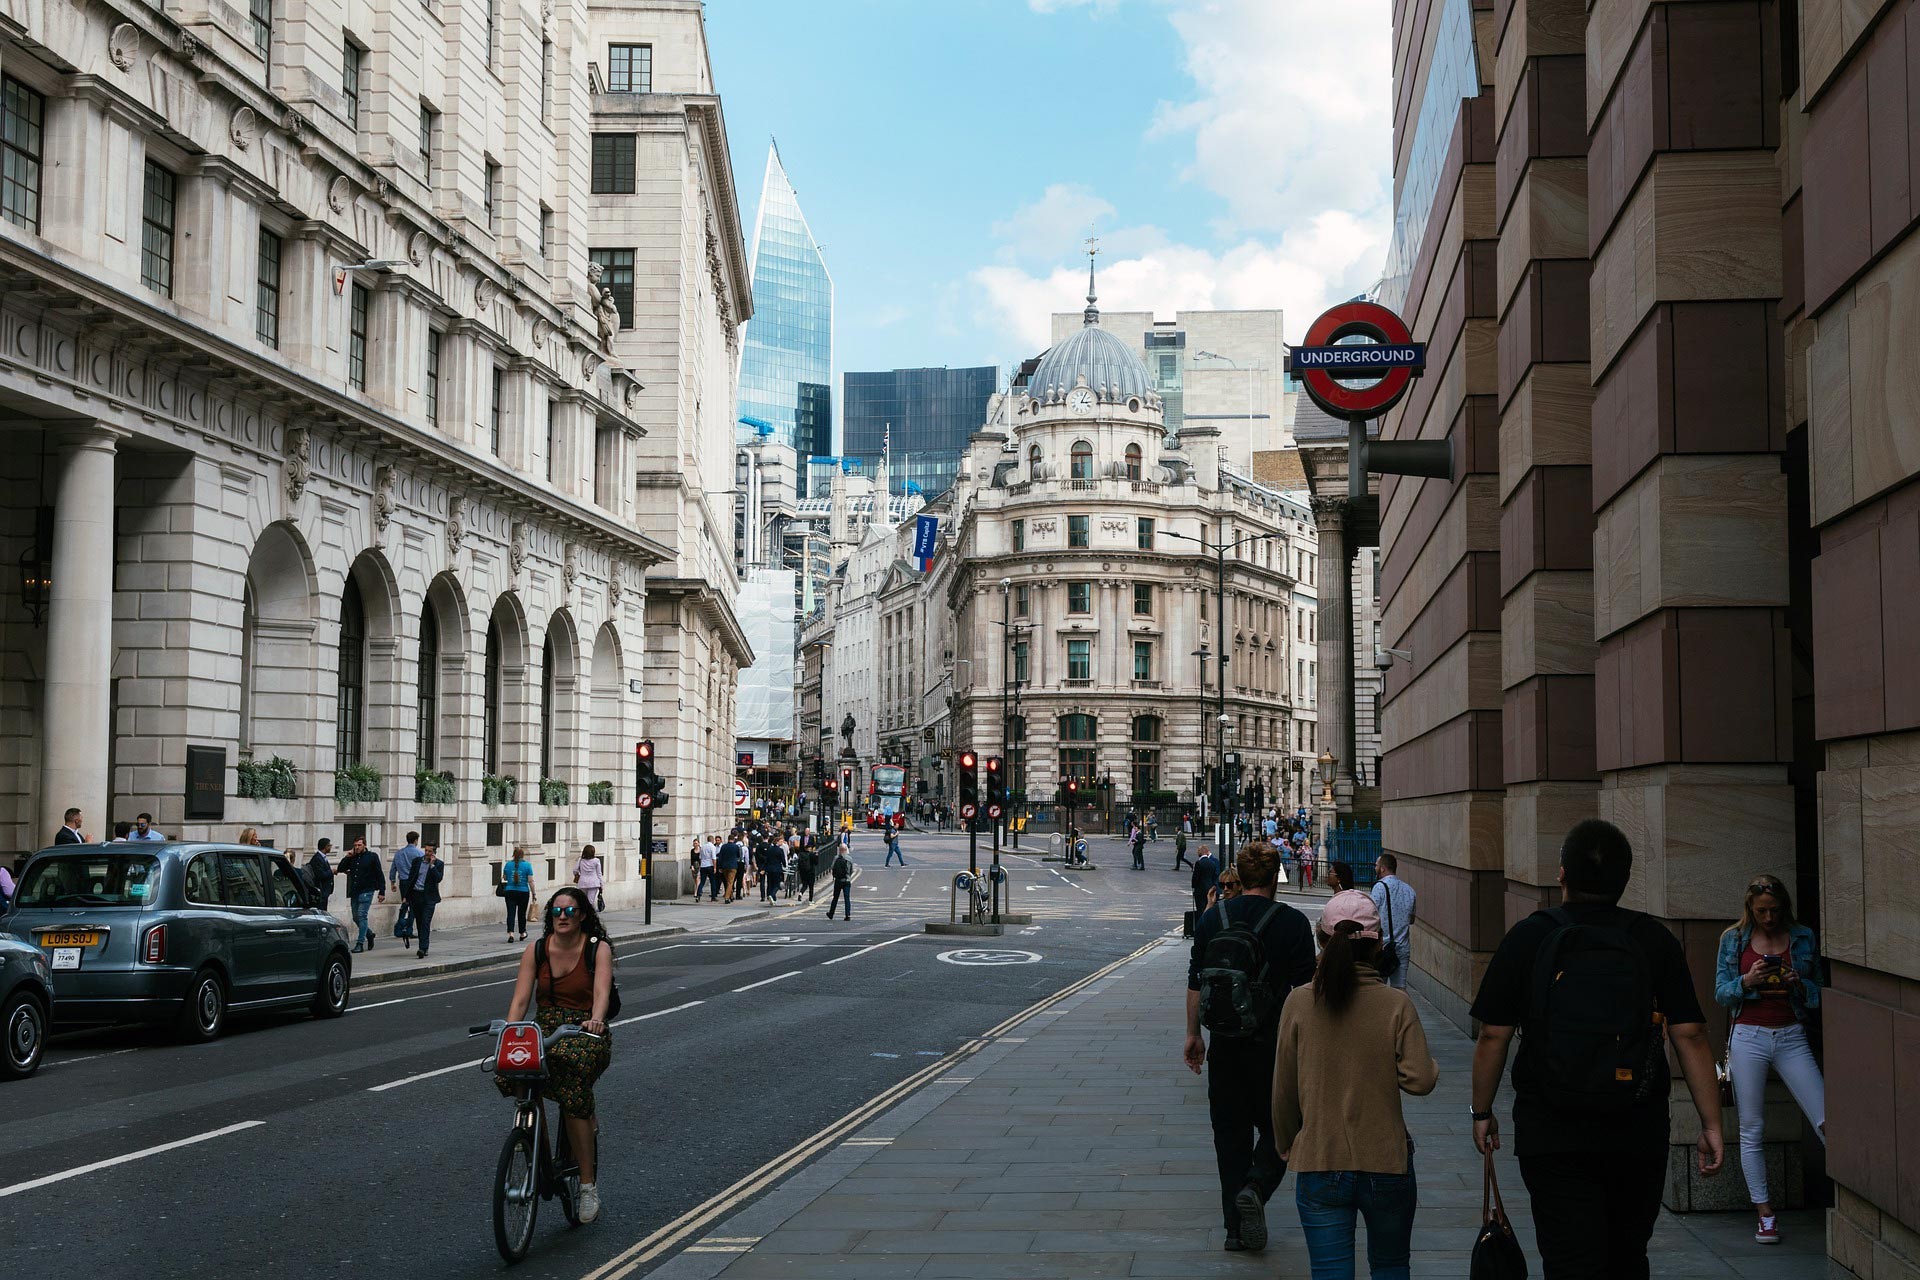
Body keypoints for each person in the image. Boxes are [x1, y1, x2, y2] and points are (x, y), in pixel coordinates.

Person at [1469, 818, 1724, 1280]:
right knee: (1628, 1257)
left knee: (1569, 1259)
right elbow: (1689, 1034)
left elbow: (1493, 1035)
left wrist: (1481, 1111)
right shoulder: (1653, 940)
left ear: (1561, 873)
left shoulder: (1529, 936)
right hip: (1636, 1127)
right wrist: (1710, 1123)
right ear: (1625, 880)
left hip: (1552, 1129)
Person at [1272, 889, 1438, 1278]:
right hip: (1386, 1162)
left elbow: (1283, 1088)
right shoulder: (1395, 1004)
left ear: (1321, 940)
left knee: (1330, 1272)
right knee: (1391, 1267)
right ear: (1378, 944)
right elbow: (1421, 1080)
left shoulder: (1298, 1002)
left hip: (1320, 1159)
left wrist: (1285, 1142)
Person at [1183, 841, 1317, 1253]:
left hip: (1225, 1045)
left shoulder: (1213, 919)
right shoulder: (1293, 923)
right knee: (1284, 1128)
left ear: (1239, 876)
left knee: (1229, 1137)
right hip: (1274, 1049)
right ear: (1276, 875)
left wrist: (1194, 1036)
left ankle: (1235, 1231)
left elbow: (1195, 981)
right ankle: (1257, 1186)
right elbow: (1307, 992)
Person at [1713, 873, 1824, 1247]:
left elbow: (1818, 994)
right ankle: (1765, 1215)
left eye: (1775, 910)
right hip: (1749, 1036)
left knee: (1826, 1118)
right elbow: (1721, 994)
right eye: (1762, 911)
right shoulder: (1734, 939)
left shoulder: (1803, 937)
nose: (1769, 918)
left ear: (1784, 907)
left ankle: (1849, 1200)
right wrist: (1747, 981)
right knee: (1752, 1128)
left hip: (1791, 1034)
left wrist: (1797, 983)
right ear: (1750, 908)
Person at [499, 887, 613, 1224]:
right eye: (557, 911)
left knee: (573, 1089)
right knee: (513, 1068)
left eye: (570, 911)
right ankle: (534, 1140)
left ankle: (588, 1186)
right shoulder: (536, 950)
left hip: (583, 1029)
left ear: (582, 916)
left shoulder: (597, 949)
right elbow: (521, 1001)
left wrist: (596, 1020)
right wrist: (510, 1031)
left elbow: (601, 994)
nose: (563, 917)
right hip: (546, 1028)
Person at [1368, 853, 1417, 991]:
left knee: (1378, 988)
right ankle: (1405, 1012)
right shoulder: (1409, 890)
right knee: (1400, 987)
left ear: (1383, 868)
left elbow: (1371, 913)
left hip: (1382, 947)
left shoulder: (1379, 887)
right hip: (1402, 946)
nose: (1375, 868)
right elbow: (1411, 919)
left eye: (1376, 866)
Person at [337, 836, 387, 952]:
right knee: (355, 917)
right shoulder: (352, 858)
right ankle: (369, 934)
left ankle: (360, 942)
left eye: (359, 845)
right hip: (355, 891)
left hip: (367, 890)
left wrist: (382, 891)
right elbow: (340, 868)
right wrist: (347, 857)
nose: (357, 847)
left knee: (362, 915)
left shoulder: (372, 857)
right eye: (355, 845)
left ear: (364, 845)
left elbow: (379, 874)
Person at [401, 843, 444, 958]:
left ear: (434, 853)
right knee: (419, 922)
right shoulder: (417, 861)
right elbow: (411, 879)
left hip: (429, 898)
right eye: (426, 851)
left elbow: (438, 878)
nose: (427, 853)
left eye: (430, 851)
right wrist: (406, 896)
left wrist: (432, 866)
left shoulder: (439, 864)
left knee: (425, 922)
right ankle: (423, 946)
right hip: (416, 896)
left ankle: (422, 948)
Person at [502, 846, 536, 941]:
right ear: (522, 855)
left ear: (514, 855)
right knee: (521, 914)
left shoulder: (508, 865)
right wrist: (534, 893)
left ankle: (511, 934)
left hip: (510, 891)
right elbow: (530, 881)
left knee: (511, 913)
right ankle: (522, 933)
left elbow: (504, 878)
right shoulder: (527, 865)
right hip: (523, 892)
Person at [825, 842, 853, 921]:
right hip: (847, 880)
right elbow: (851, 870)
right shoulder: (850, 859)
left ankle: (831, 913)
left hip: (838, 881)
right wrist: (848, 876)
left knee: (835, 898)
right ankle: (848, 915)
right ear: (846, 850)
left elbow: (832, 867)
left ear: (840, 850)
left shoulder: (836, 858)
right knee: (847, 898)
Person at [306, 839, 335, 913]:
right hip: (321, 891)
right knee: (321, 912)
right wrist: (331, 872)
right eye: (329, 845)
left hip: (325, 891)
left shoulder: (322, 857)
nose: (330, 847)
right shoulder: (317, 858)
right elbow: (320, 875)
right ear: (326, 846)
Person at [573, 844, 606, 911]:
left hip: (582, 882)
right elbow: (599, 873)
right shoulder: (596, 861)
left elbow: (575, 870)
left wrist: (578, 875)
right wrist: (601, 885)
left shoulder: (580, 860)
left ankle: (586, 914)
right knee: (590, 901)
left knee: (583, 900)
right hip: (594, 883)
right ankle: (590, 914)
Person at [1190, 844, 1219, 914]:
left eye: (1198, 851)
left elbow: (1196, 877)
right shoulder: (1212, 863)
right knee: (1208, 908)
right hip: (1209, 888)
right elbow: (1214, 876)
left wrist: (1193, 885)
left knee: (1200, 909)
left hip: (1200, 890)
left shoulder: (1199, 863)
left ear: (1201, 852)